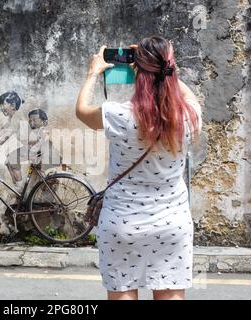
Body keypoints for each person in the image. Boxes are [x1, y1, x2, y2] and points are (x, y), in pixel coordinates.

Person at [75, 35, 202, 300]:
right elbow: (186, 96)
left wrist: (93, 72)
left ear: (139, 71)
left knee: (122, 292)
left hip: (123, 221)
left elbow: (81, 111)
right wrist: (163, 68)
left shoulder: (119, 114)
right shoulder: (189, 116)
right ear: (170, 68)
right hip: (172, 223)